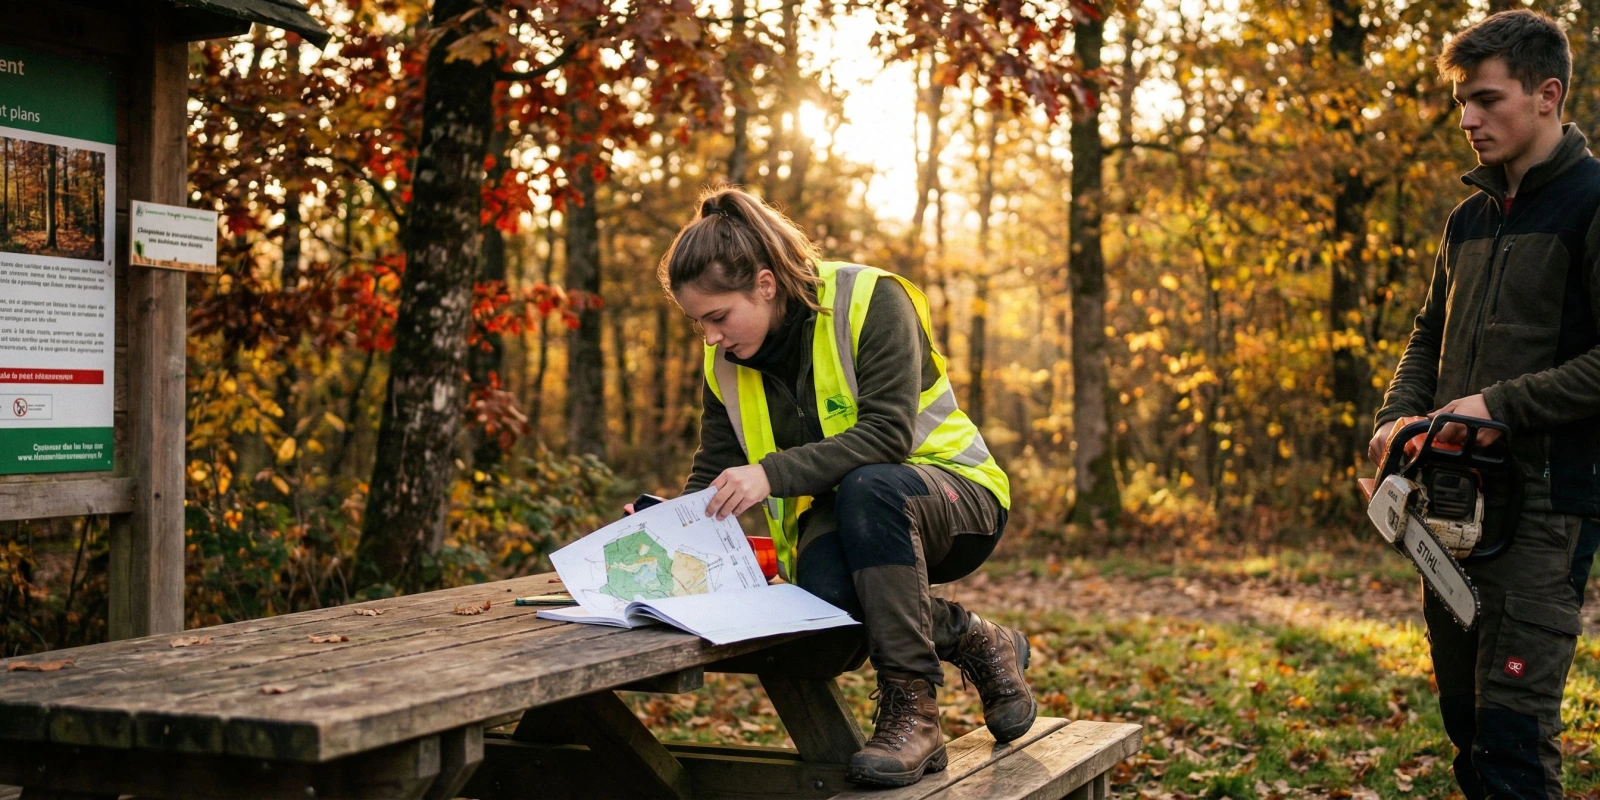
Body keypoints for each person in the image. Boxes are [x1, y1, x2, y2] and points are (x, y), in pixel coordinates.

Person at [656, 185, 1037, 787]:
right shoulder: (723, 363)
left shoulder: (871, 300)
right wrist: (663, 524)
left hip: (955, 498)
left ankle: (914, 713)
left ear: (765, 284)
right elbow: (714, 469)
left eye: (718, 317)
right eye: (698, 322)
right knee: (825, 615)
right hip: (850, 521)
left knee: (869, 486)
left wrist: (769, 474)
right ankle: (975, 638)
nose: (710, 337)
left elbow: (887, 435)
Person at [1371, 10, 1600, 799]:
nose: (1468, 119)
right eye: (1462, 101)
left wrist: (1496, 405)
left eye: (1487, 99)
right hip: (1451, 501)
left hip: (1545, 509)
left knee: (1512, 740)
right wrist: (1395, 420)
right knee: (1468, 726)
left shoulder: (1592, 203)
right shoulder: (1467, 219)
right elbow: (1427, 334)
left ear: (1547, 95)